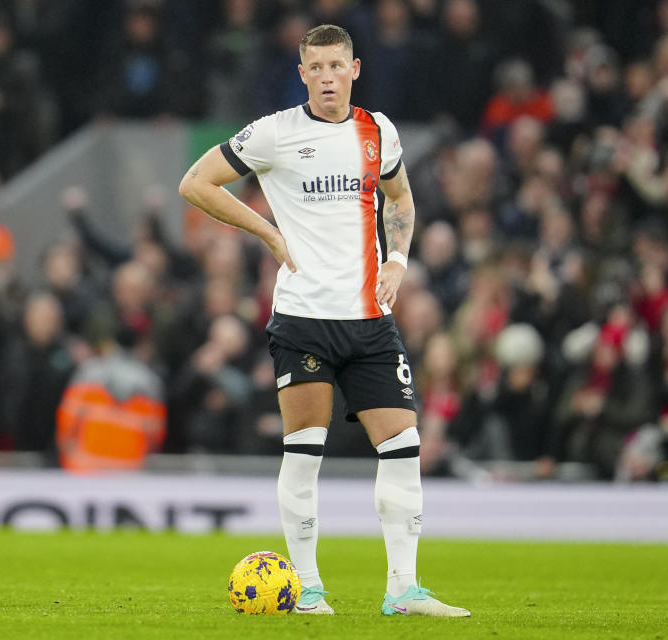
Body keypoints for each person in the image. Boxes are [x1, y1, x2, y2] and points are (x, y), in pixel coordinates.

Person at [179, 24, 470, 617]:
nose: (328, 77)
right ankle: (309, 591)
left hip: (369, 320)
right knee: (305, 452)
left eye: (338, 66)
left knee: (404, 447)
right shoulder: (275, 133)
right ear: (303, 73)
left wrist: (399, 260)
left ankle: (403, 590)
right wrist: (265, 230)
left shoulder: (378, 131)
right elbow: (195, 182)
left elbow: (402, 199)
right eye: (317, 67)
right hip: (304, 319)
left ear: (355, 69)